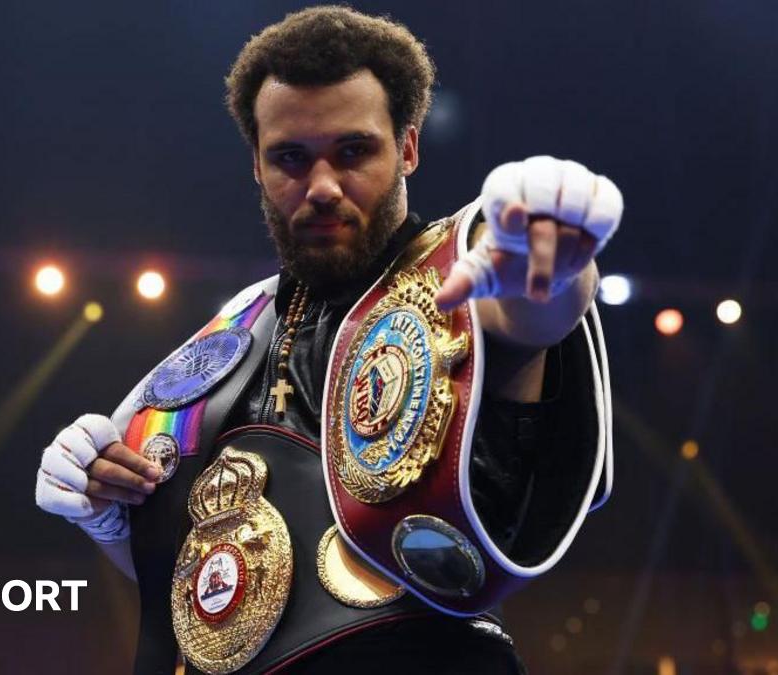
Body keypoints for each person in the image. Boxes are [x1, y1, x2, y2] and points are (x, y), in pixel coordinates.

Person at [35, 6, 622, 674]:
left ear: (407, 146)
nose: (320, 186)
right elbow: (193, 580)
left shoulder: (457, 277)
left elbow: (530, 310)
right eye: (289, 157)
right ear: (256, 165)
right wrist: (109, 511)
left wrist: (554, 253)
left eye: (352, 152)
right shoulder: (231, 333)